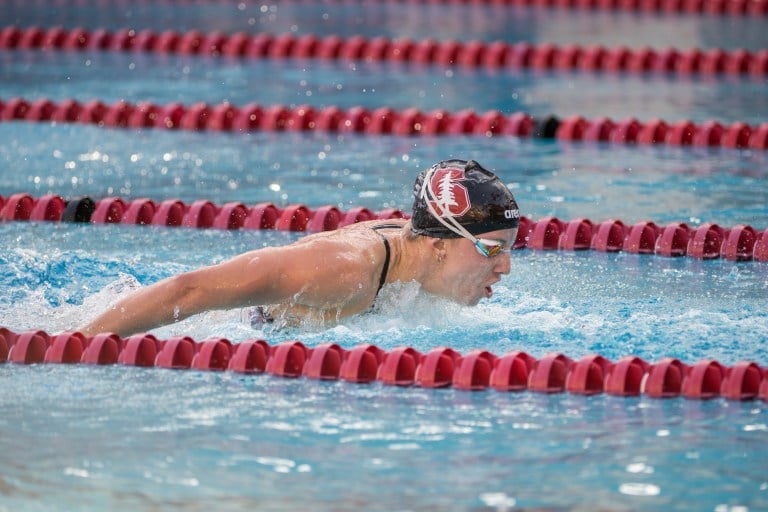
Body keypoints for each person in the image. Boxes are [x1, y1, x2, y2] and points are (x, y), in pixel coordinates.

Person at [79, 159, 520, 337]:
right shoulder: (347, 273)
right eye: (491, 250)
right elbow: (189, 292)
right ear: (439, 245)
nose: (505, 268)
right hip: (204, 333)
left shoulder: (413, 252)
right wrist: (75, 344)